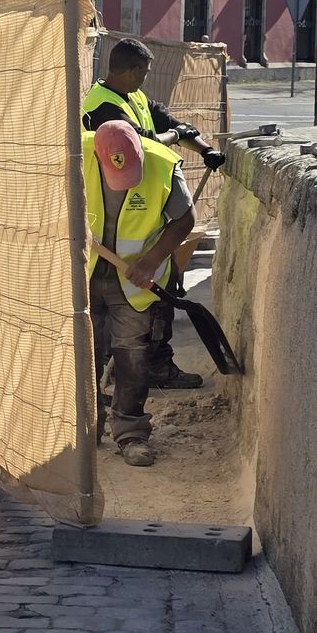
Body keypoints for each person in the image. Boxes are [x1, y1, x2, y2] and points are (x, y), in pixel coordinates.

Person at [82, 38, 223, 391]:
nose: (145, 78)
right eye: (143, 72)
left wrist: (203, 148)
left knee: (159, 300)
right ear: (129, 71)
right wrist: (175, 136)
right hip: (108, 238)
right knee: (107, 330)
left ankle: (156, 366)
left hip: (145, 229)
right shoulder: (102, 110)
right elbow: (146, 144)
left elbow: (167, 122)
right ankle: (99, 393)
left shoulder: (134, 98)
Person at [84, 121, 196, 468]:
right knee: (83, 353)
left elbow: (185, 219)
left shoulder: (161, 164)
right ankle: (85, 427)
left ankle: (131, 433)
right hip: (84, 273)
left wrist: (150, 261)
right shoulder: (74, 153)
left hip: (134, 282)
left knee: (132, 356)